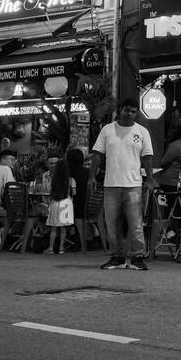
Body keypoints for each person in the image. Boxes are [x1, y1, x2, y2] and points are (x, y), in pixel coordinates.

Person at [89, 99, 155, 271]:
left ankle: (137, 257)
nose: (130, 114)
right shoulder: (107, 130)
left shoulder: (142, 132)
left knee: (136, 223)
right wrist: (92, 177)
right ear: (120, 110)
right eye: (127, 110)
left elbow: (147, 157)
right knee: (111, 223)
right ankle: (117, 256)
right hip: (111, 184)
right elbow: (97, 154)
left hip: (133, 184)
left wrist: (149, 179)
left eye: (133, 111)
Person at [45, 155, 76, 254]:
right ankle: (61, 248)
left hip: (55, 204)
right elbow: (74, 193)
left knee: (54, 228)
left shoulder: (54, 180)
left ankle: (50, 248)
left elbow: (50, 193)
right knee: (63, 228)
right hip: (66, 204)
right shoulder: (71, 180)